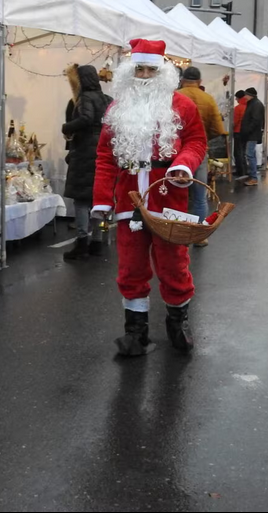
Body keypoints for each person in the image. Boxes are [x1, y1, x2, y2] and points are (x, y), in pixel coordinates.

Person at [91, 39, 207, 356]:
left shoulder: (182, 106)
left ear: (163, 73)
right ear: (130, 72)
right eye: (139, 69)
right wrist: (102, 201)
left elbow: (196, 141)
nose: (144, 75)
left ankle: (177, 321)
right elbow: (104, 157)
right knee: (130, 267)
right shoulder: (117, 109)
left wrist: (183, 165)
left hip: (168, 199)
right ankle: (136, 333)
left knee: (174, 265)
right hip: (129, 202)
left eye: (150, 70)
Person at [61, 64, 112, 260]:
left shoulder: (83, 99)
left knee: (81, 200)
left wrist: (66, 127)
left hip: (84, 154)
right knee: (98, 200)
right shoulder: (107, 100)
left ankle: (82, 242)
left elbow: (86, 118)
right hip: (104, 152)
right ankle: (97, 242)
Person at [177, 66, 226, 247]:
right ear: (200, 81)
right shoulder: (208, 99)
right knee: (199, 196)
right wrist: (203, 138)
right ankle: (199, 235)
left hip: (175, 152)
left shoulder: (174, 97)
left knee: (175, 194)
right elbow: (218, 128)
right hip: (199, 151)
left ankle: (176, 233)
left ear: (182, 80)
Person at [241, 87, 265, 186]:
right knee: (251, 155)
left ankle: (253, 177)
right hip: (252, 134)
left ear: (250, 95)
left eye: (246, 95)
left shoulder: (255, 105)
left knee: (250, 155)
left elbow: (255, 120)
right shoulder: (254, 104)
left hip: (252, 134)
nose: (245, 97)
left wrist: (247, 130)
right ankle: (252, 175)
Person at [233, 90, 248, 178]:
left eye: (236, 97)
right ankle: (245, 170)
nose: (235, 99)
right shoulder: (249, 106)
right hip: (245, 132)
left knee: (238, 152)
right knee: (243, 152)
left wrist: (232, 127)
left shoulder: (238, 108)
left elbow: (235, 121)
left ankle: (240, 171)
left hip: (238, 131)